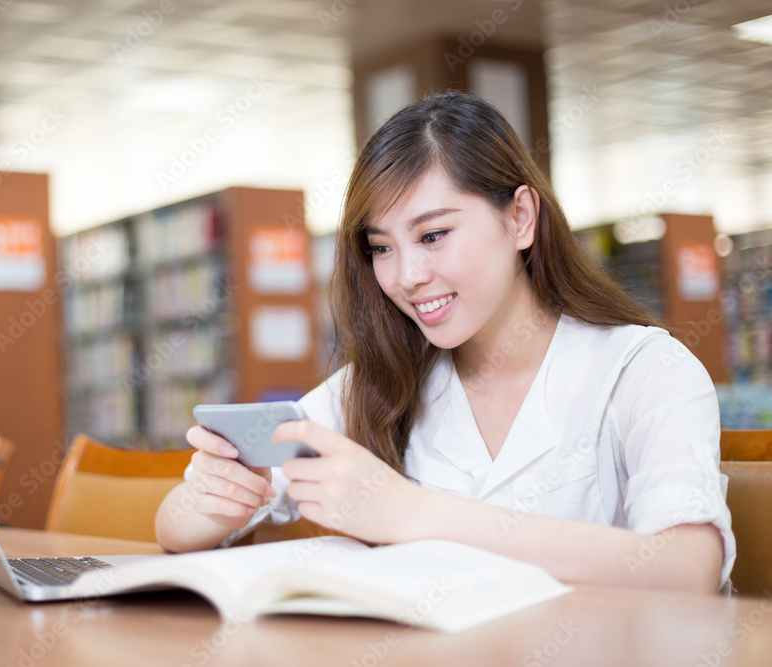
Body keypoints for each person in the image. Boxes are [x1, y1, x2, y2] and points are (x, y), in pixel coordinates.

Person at [155, 90, 734, 593]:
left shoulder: (643, 370)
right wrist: (212, 498)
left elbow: (687, 570)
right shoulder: (380, 381)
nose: (405, 275)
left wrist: (410, 512)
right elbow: (173, 528)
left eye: (433, 234)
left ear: (521, 219)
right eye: (381, 247)